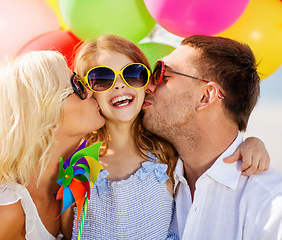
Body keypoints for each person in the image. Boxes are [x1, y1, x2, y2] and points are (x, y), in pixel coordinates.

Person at [62, 35, 270, 240]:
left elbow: (206, 144)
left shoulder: (166, 154)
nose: (118, 85)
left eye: (133, 74)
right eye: (102, 79)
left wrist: (251, 143)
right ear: (87, 91)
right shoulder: (77, 164)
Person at [143, 35, 282, 239]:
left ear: (205, 96)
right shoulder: (149, 176)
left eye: (163, 75)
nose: (148, 86)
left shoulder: (271, 205)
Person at [0, 50, 105, 240]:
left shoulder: (65, 188)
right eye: (77, 85)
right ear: (46, 117)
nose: (91, 91)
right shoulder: (5, 207)